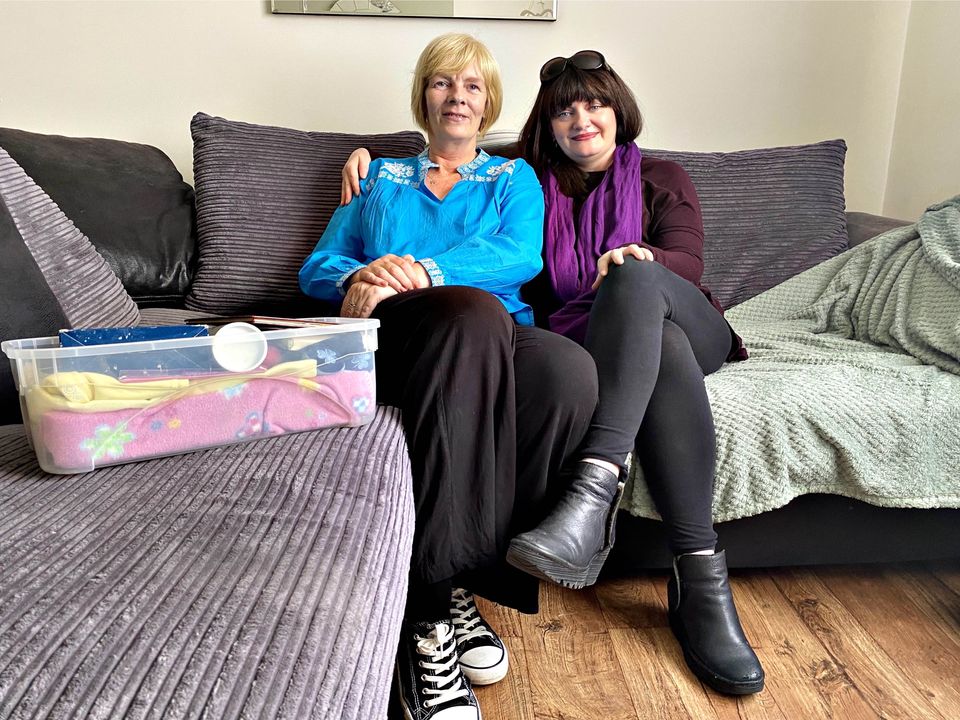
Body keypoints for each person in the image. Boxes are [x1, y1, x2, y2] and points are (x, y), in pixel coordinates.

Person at [341, 49, 765, 697]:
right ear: (547, 125)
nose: (581, 119)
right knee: (664, 351)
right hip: (607, 343)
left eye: (595, 103)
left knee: (638, 281)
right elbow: (455, 142)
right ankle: (700, 577)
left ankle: (593, 491)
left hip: (685, 311)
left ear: (619, 110)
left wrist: (639, 257)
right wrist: (374, 157)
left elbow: (688, 261)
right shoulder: (531, 181)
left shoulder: (663, 174)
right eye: (564, 110)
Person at [300, 34, 598, 720]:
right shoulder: (376, 176)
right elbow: (314, 267)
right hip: (398, 333)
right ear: (423, 97)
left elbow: (519, 255)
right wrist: (359, 275)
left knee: (568, 371)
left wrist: (426, 270)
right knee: (467, 315)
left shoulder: (513, 178)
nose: (457, 96)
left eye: (471, 86)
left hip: (497, 328)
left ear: (488, 101)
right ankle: (430, 613)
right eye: (442, 83)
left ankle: (463, 574)